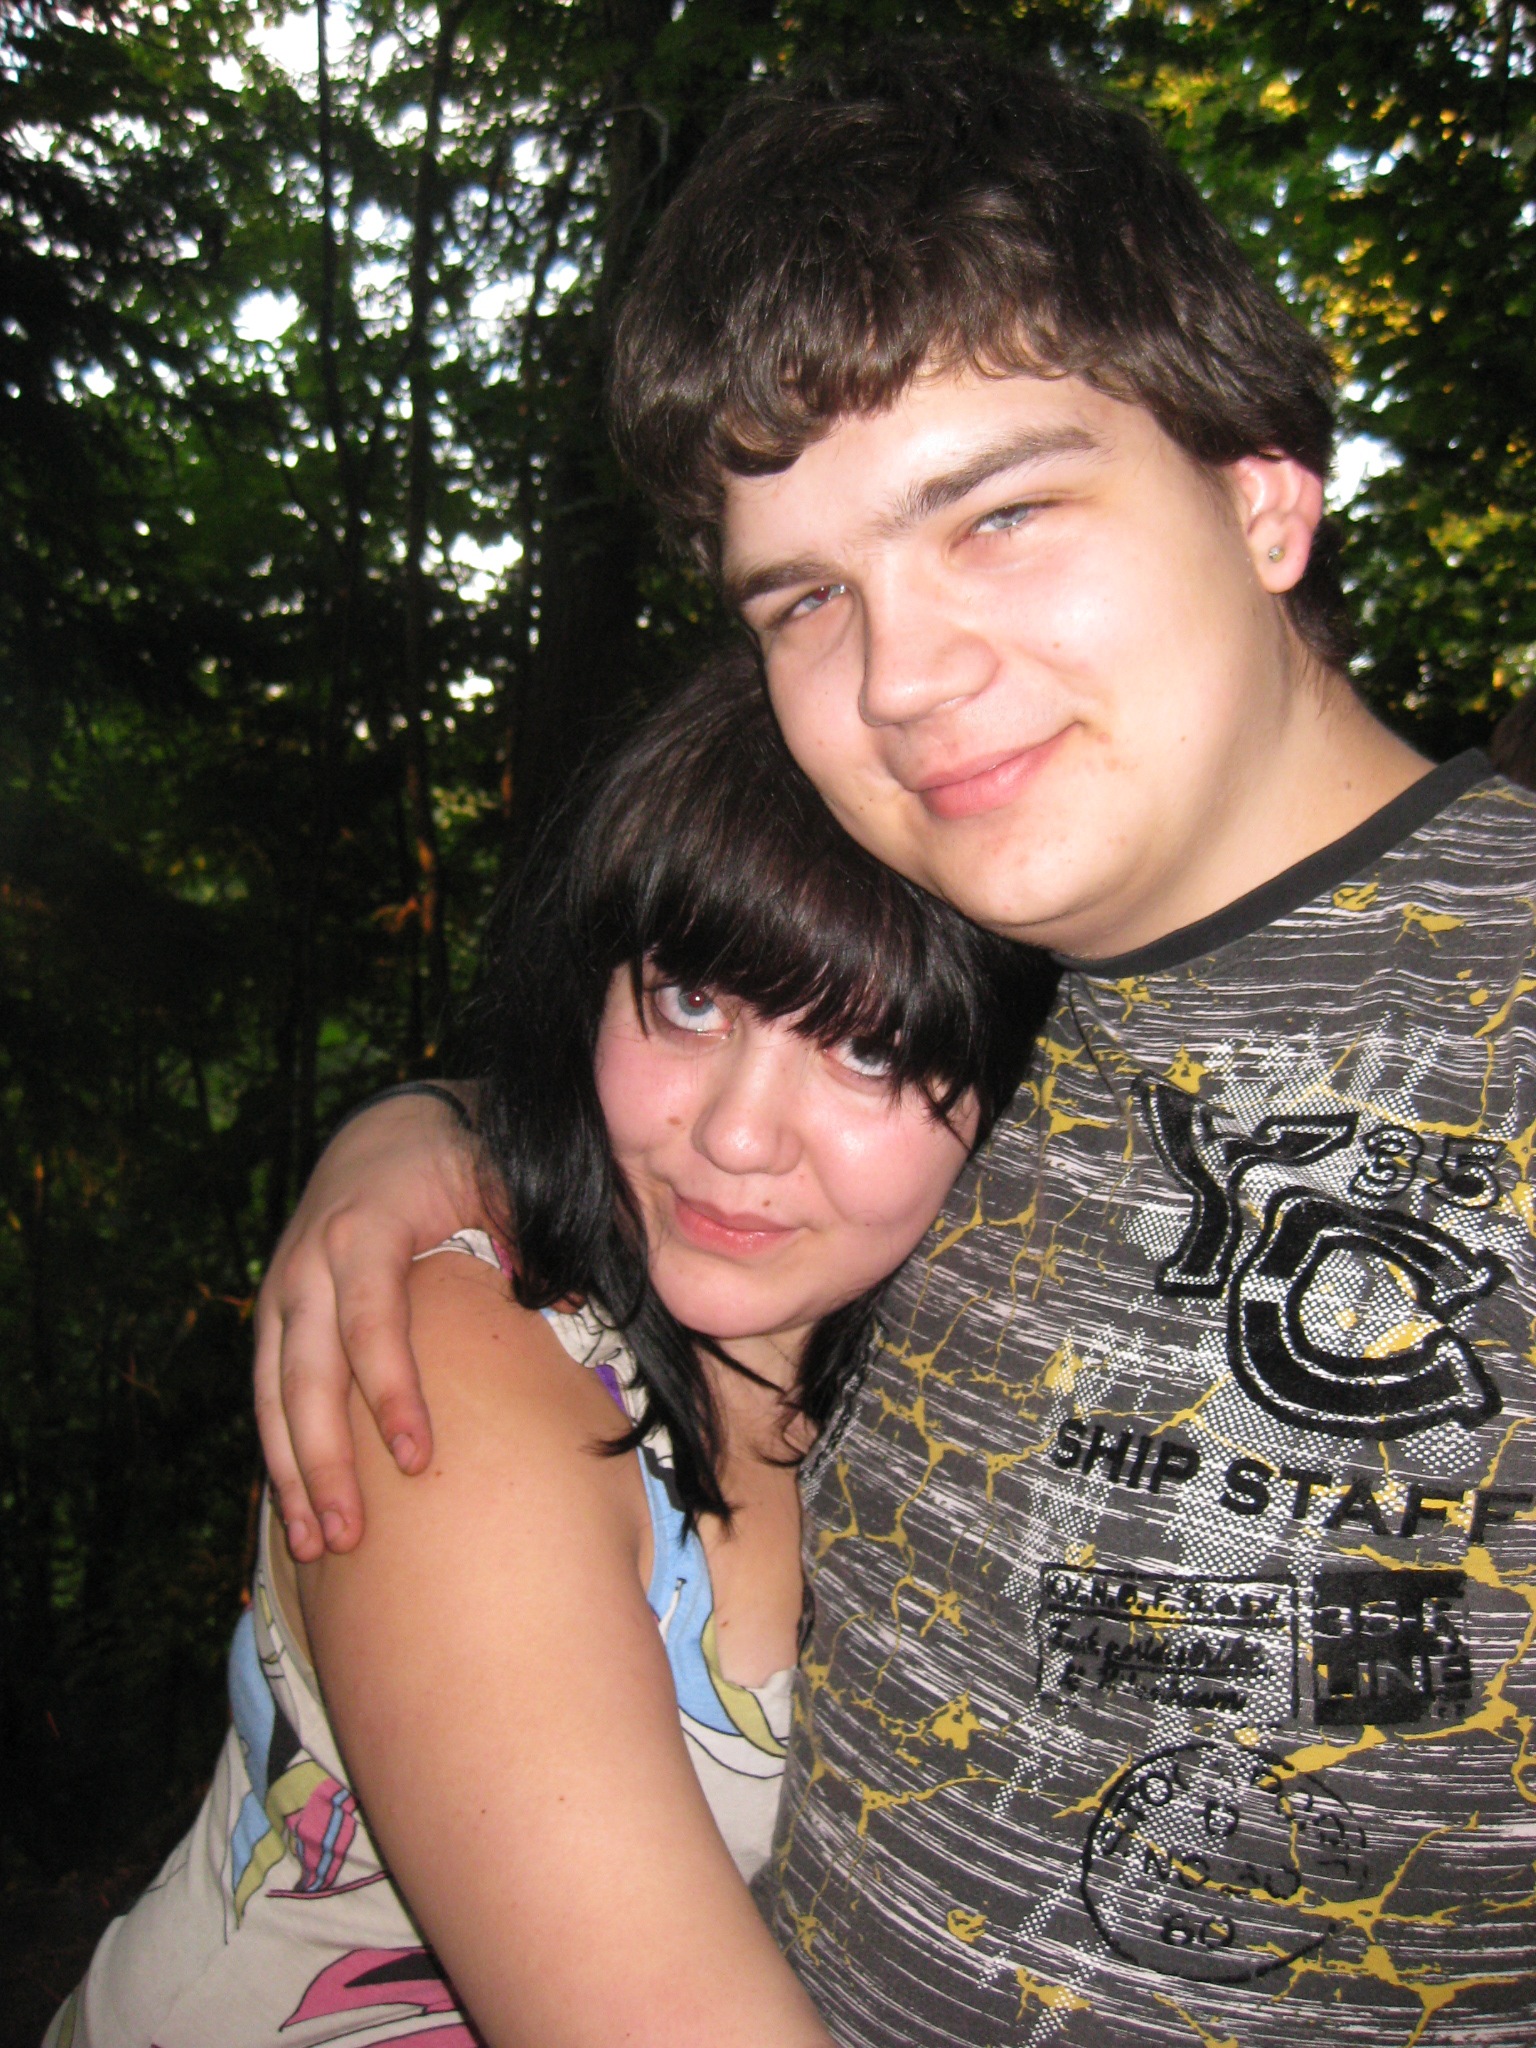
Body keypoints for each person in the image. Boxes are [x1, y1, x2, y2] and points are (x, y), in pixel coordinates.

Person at [256, 44, 1536, 2047]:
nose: (904, 680)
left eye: (1001, 513)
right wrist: (431, 1131)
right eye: (805, 600)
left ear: (1262, 493)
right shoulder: (1009, 999)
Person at [44, 648, 1046, 2048]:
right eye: (691, 1000)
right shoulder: (459, 1372)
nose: (735, 1136)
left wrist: (419, 1115)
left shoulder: (955, 1362)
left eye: (869, 1050)